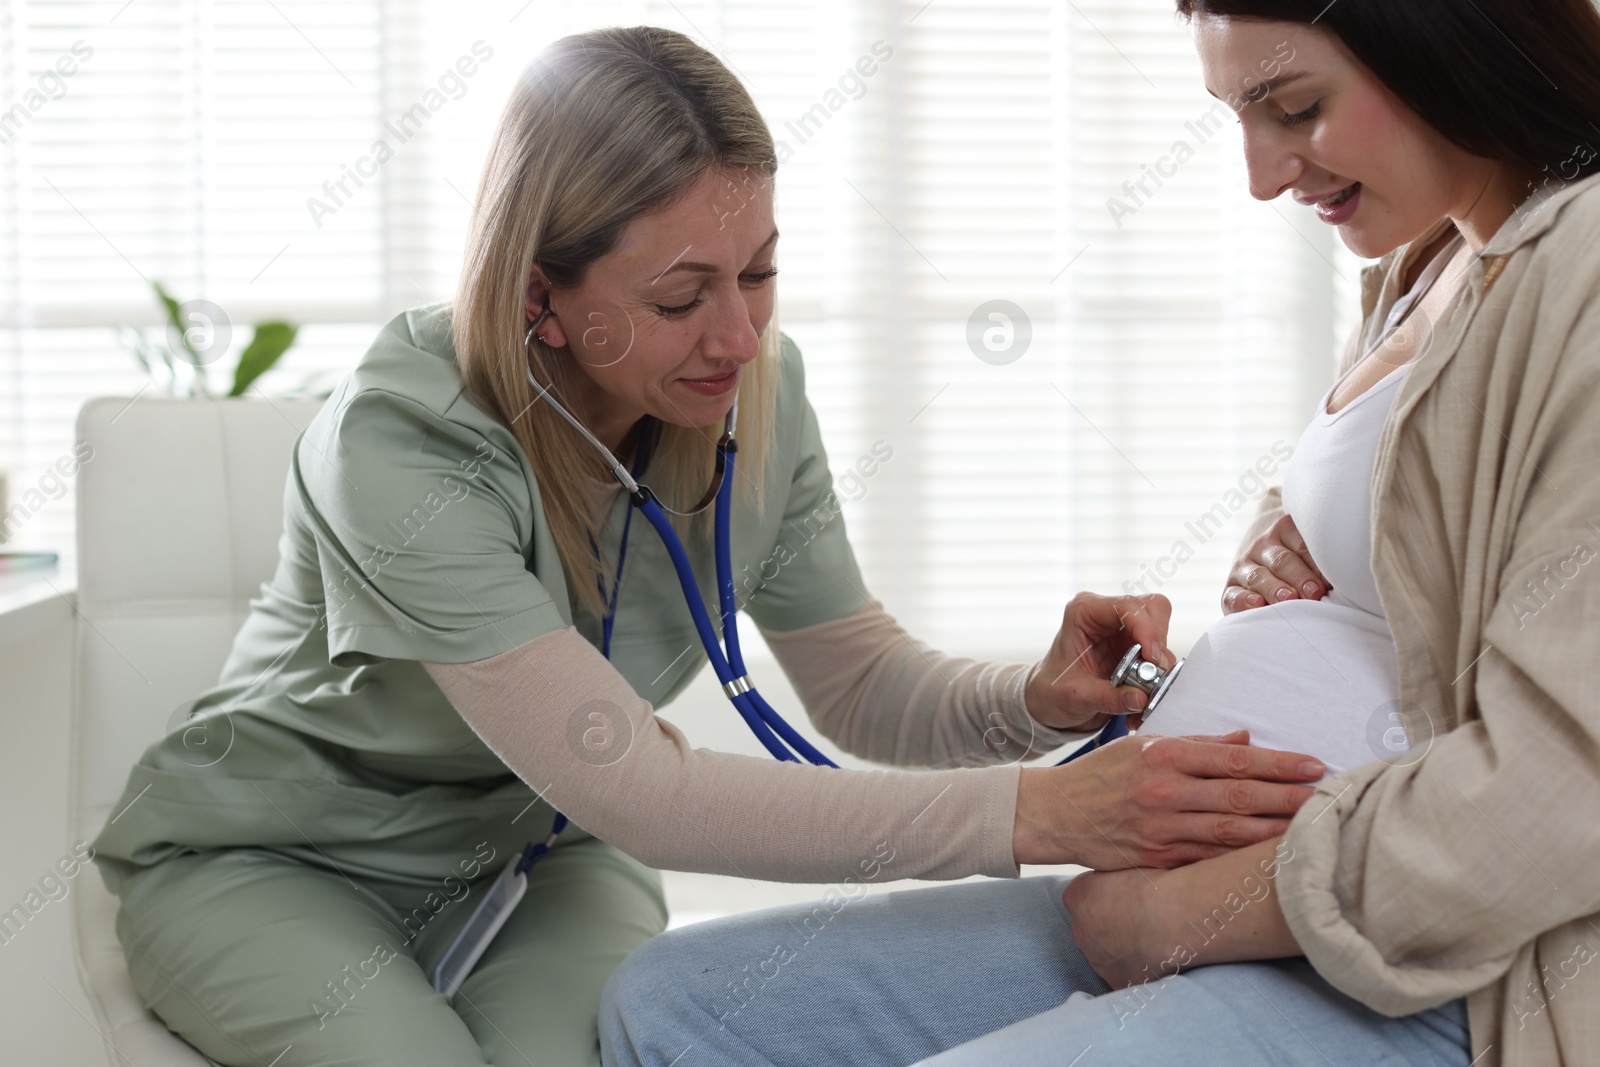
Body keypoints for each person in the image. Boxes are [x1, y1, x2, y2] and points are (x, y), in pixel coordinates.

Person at [88, 26, 1326, 1067]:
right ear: (539, 296)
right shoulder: (404, 440)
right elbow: (641, 784)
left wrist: (1030, 704)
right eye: (681, 298)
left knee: (642, 1038)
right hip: (287, 860)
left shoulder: (751, 395)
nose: (736, 337)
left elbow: (860, 682)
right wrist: (1051, 814)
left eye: (762, 274)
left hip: (542, 856)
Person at [597, 2, 1600, 1065]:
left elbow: (1560, 792)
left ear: (1441, 37)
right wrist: (1285, 532)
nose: (1262, 175)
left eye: (1295, 107)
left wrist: (1176, 910)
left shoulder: (1577, 267)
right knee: (676, 1004)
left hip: (1436, 957)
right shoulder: (1430, 261)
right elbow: (1420, 516)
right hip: (1226, 897)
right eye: (1239, 117)